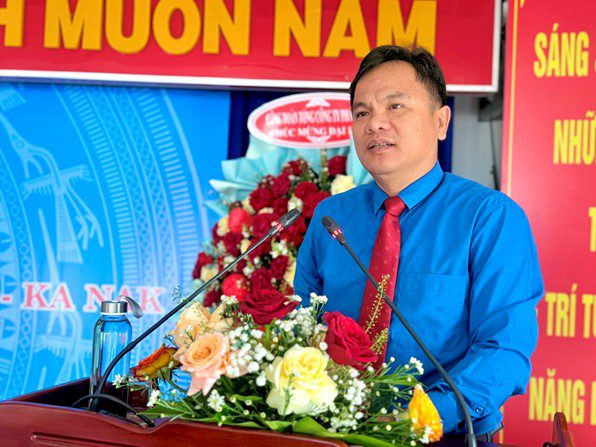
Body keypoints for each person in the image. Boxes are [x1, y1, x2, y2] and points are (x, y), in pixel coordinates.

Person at [293, 45, 543, 440]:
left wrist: (416, 419)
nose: (375, 124)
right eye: (362, 113)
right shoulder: (331, 218)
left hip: (446, 434)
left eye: (395, 106)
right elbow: (301, 328)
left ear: (441, 121)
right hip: (332, 433)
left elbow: (504, 348)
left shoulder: (490, 217)